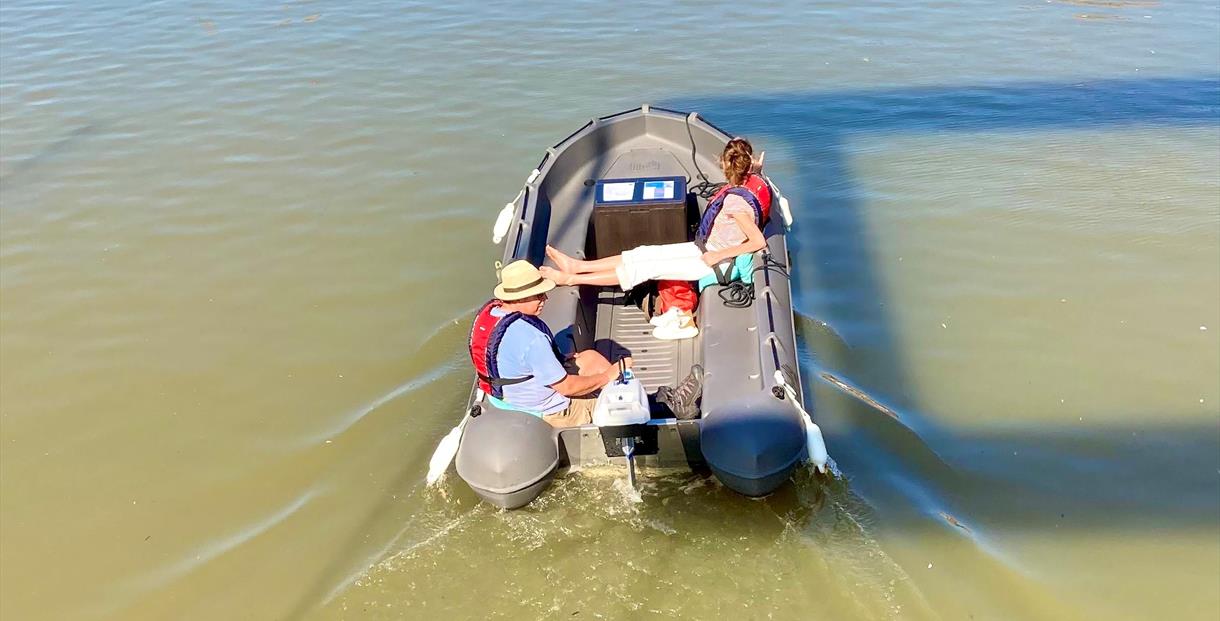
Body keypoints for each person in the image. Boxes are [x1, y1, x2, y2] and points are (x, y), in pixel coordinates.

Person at [540, 138, 772, 338]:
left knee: (645, 269)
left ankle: (572, 278)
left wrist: (717, 255)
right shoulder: (755, 180)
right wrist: (758, 170)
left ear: (724, 165)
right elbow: (757, 184)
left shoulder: (736, 205)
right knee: (643, 253)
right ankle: (578, 265)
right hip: (703, 248)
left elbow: (757, 241)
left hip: (715, 262)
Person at [469, 260, 630, 427]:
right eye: (538, 295)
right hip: (547, 410)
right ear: (520, 297)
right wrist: (608, 375)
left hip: (505, 397)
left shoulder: (493, 314)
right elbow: (567, 388)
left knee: (590, 357)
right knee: (619, 404)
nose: (545, 298)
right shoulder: (532, 339)